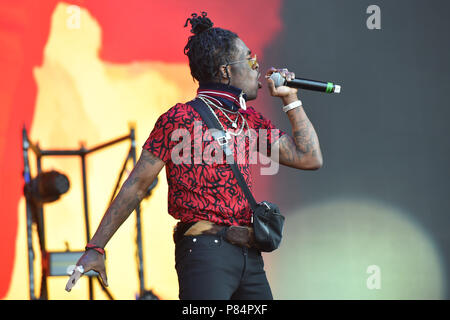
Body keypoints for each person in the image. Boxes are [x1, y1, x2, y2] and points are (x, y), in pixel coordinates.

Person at [65, 11, 323, 300]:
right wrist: (96, 248)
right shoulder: (179, 118)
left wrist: (291, 99)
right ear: (226, 71)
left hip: (250, 256)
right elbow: (136, 185)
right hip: (205, 253)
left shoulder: (249, 121)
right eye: (250, 60)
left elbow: (309, 158)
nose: (258, 68)